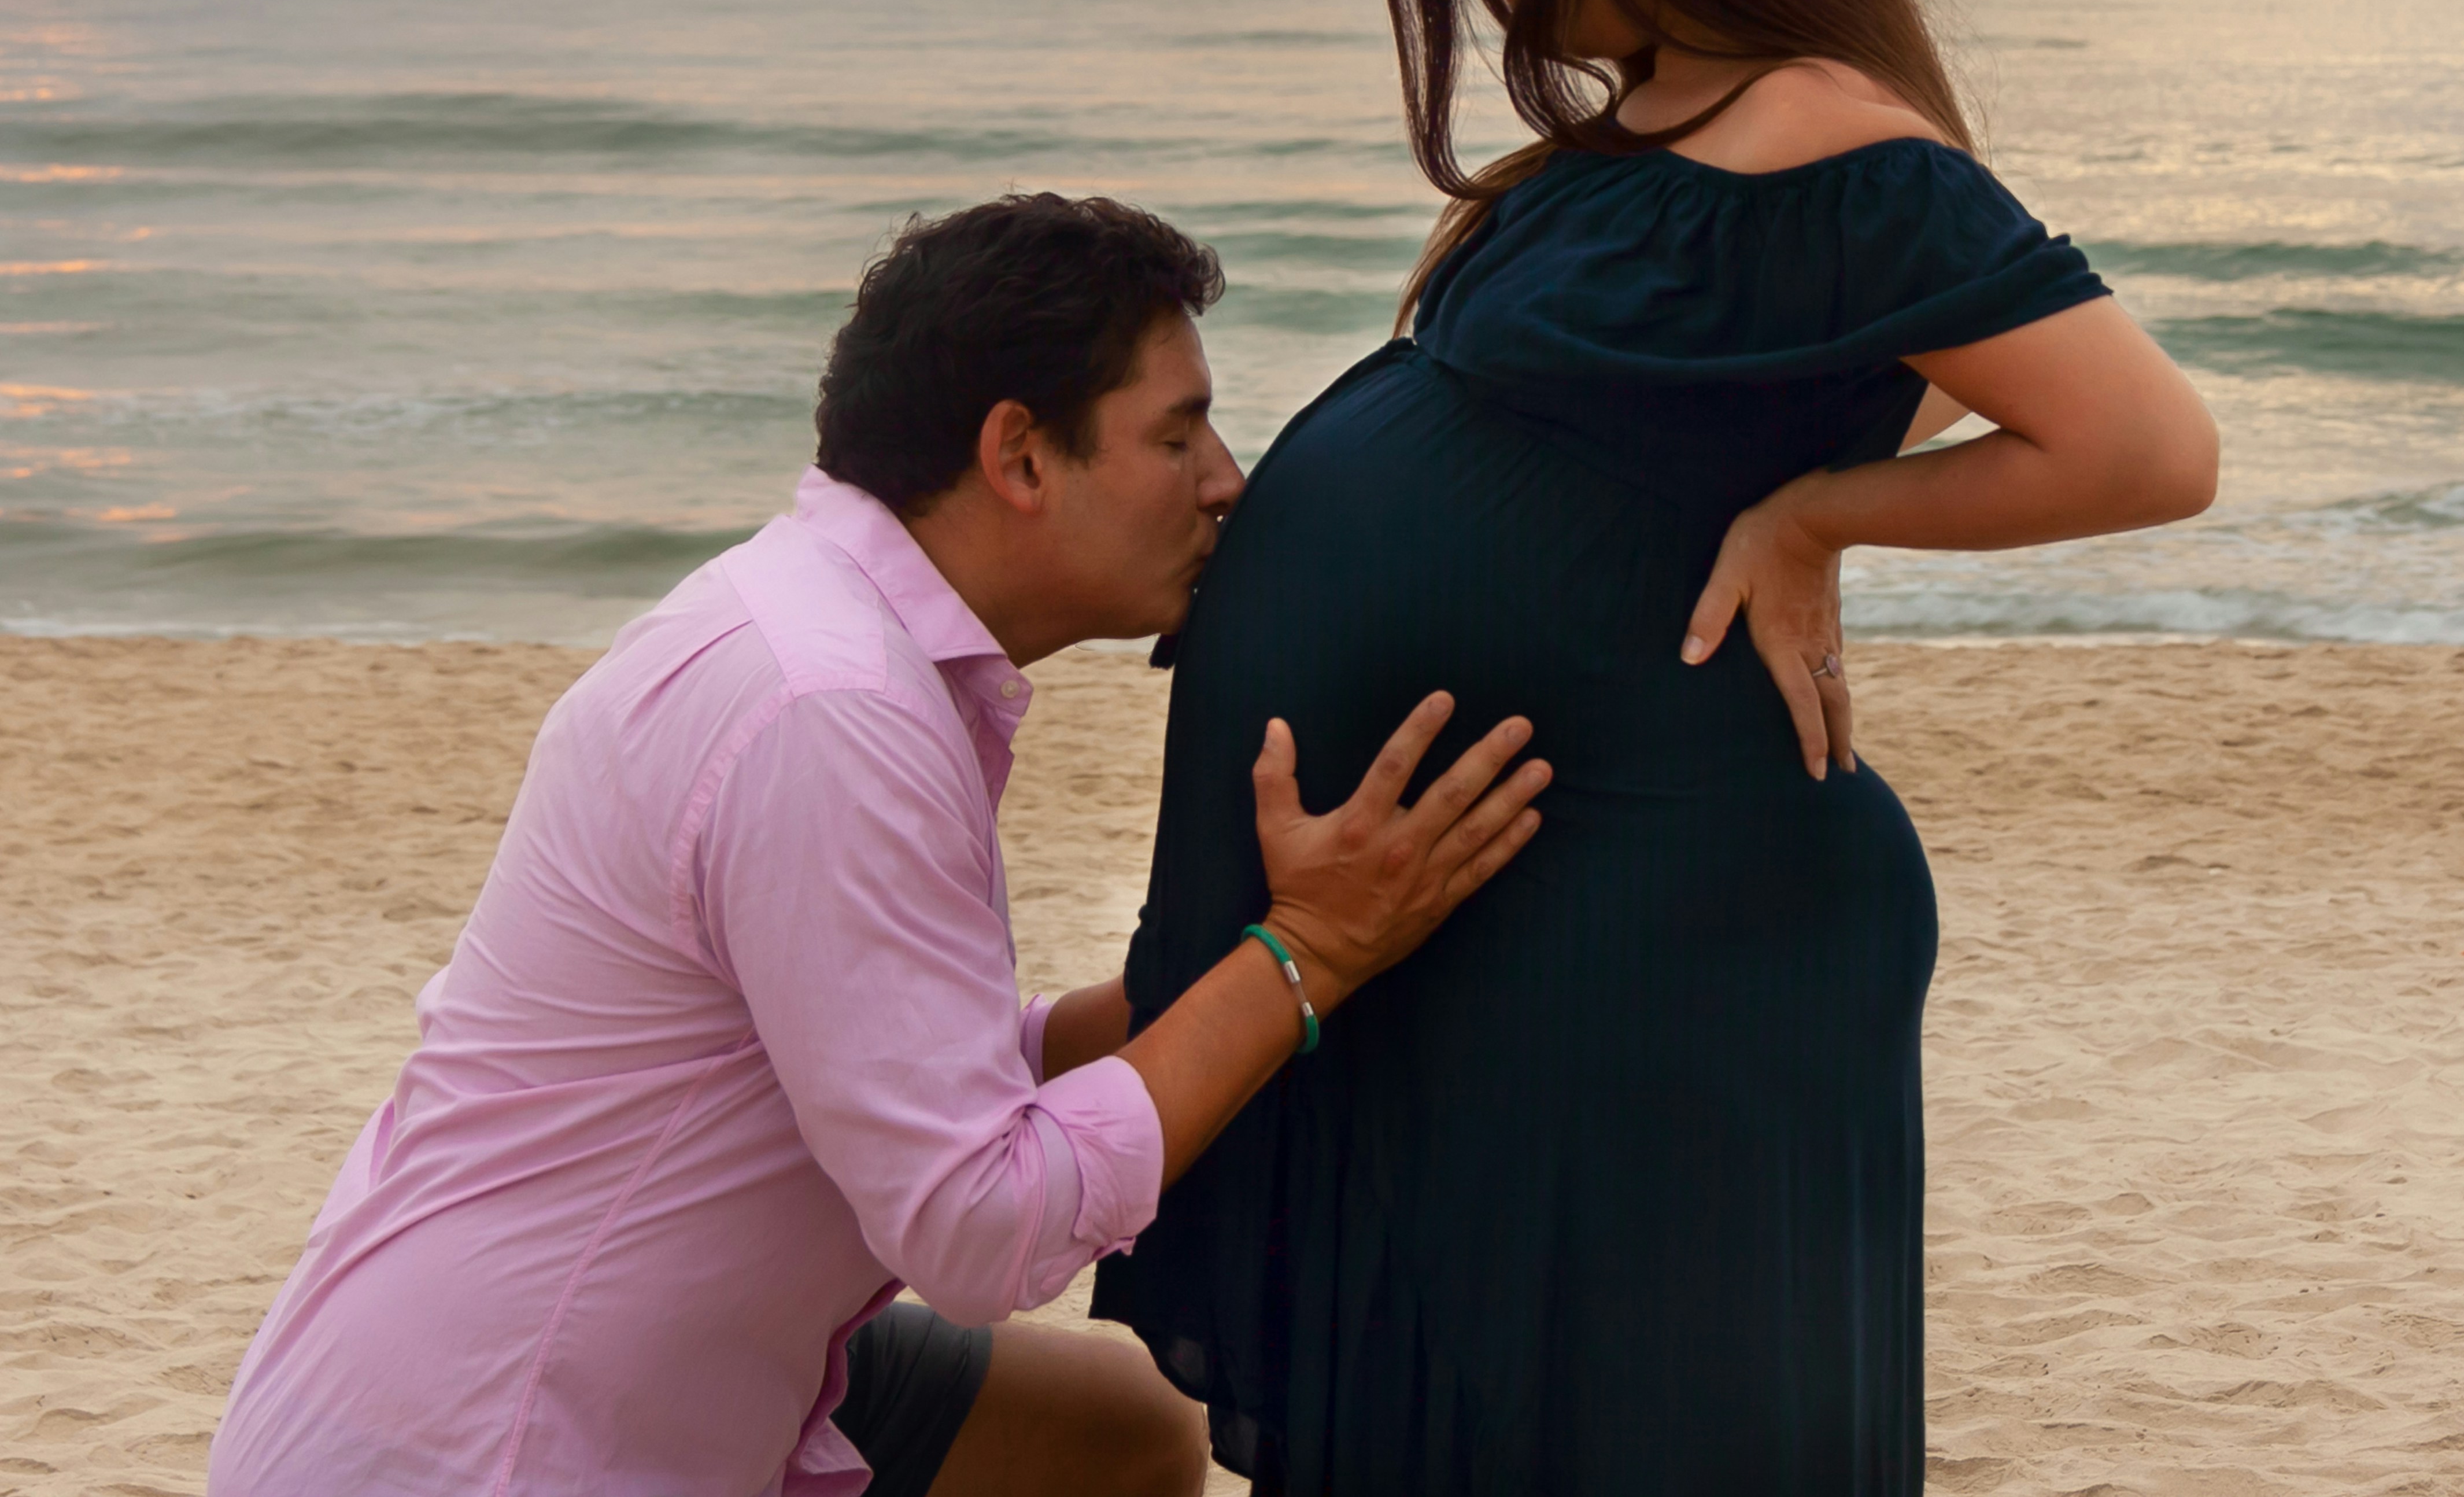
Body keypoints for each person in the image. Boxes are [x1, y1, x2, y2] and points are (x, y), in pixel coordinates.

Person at [1090, 0, 2221, 1494]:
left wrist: (1820, 505)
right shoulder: (1629, 150)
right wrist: (1789, 463)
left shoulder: (1840, 141)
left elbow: (2144, 441)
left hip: (1670, 925)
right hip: (1529, 909)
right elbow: (1807, 380)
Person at [207, 194, 1554, 1497]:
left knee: (1119, 1439)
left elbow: (886, 1066)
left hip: (593, 1372)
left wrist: (1184, 998)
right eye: (1179, 434)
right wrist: (1305, 955)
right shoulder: (831, 708)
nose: (1227, 483)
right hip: (495, 1446)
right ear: (1020, 454)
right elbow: (980, 1226)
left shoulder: (828, 632)